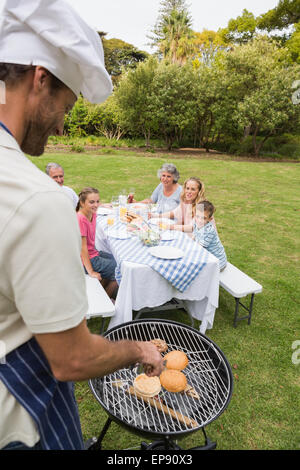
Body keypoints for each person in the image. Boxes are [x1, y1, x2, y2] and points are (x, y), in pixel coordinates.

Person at [0, 0, 163, 451]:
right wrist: (139, 350)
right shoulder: (41, 199)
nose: (62, 122)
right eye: (66, 105)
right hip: (17, 415)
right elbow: (71, 359)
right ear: (41, 77)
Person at [76, 187, 118, 299]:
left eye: (97, 201)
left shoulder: (92, 213)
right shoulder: (80, 219)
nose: (95, 205)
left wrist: (103, 205)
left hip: (93, 253)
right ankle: (106, 300)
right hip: (86, 259)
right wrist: (91, 271)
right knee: (120, 269)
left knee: (117, 258)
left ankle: (102, 292)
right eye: (91, 202)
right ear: (82, 203)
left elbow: (96, 205)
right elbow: (82, 249)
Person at [150, 177, 214, 237]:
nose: (189, 192)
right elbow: (173, 213)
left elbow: (192, 227)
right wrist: (155, 216)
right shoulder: (186, 202)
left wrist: (170, 227)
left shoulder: (202, 207)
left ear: (199, 192)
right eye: (187, 188)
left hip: (202, 242)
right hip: (190, 238)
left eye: (193, 189)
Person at [193, 201, 227, 271]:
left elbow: (199, 249)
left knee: (195, 270)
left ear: (210, 219)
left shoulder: (209, 231)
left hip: (218, 263)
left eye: (204, 218)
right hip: (209, 257)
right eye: (197, 216)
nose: (199, 220)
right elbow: (194, 237)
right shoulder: (196, 224)